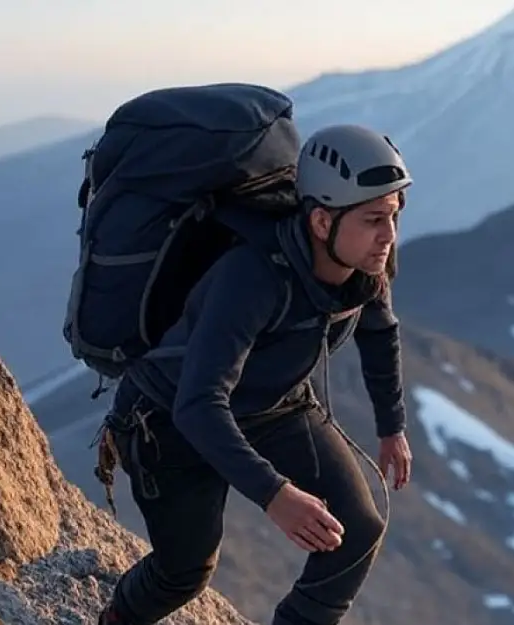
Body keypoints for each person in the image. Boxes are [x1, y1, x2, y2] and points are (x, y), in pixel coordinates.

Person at [95, 123, 415, 625]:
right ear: (320, 221)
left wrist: (391, 426)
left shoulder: (367, 267)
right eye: (374, 219)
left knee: (357, 530)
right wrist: (275, 494)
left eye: (393, 216)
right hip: (168, 423)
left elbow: (381, 332)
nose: (389, 235)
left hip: (274, 404)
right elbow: (198, 404)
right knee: (184, 572)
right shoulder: (252, 278)